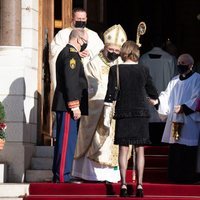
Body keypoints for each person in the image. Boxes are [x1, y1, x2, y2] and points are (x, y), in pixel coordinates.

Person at [72, 24, 127, 183]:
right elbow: (91, 86)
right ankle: (89, 174)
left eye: (118, 51)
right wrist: (108, 99)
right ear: (105, 47)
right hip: (97, 108)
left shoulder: (119, 64)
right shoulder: (94, 63)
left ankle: (110, 175)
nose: (114, 54)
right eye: (112, 50)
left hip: (115, 111)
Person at [104, 40, 158, 197]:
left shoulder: (116, 69)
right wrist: (155, 100)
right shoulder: (144, 69)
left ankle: (123, 185)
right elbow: (153, 92)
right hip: (140, 112)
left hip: (123, 112)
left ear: (123, 52)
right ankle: (140, 185)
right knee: (140, 150)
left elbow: (110, 94)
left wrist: (107, 111)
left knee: (123, 149)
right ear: (136, 53)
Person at [149, 53, 200, 183]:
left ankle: (187, 177)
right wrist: (158, 102)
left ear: (191, 65)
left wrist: (184, 107)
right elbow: (166, 95)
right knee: (175, 148)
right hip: (175, 120)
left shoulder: (197, 79)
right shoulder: (174, 80)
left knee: (187, 149)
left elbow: (198, 97)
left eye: (183, 63)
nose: (180, 65)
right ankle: (174, 176)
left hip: (189, 121)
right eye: (179, 63)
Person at [51, 28, 88, 183]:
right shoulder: (71, 55)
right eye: (85, 41)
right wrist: (74, 106)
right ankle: (62, 175)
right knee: (66, 141)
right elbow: (71, 82)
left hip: (65, 105)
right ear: (78, 39)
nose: (85, 44)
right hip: (67, 106)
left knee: (65, 140)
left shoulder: (69, 53)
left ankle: (61, 173)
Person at [50, 7, 104, 90]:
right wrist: (73, 53)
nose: (81, 21)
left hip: (87, 73)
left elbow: (101, 50)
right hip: (68, 72)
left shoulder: (93, 35)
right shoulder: (63, 34)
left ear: (86, 19)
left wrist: (90, 53)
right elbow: (54, 50)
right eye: (79, 19)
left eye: (83, 19)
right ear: (73, 19)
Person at [139, 36, 177, 144]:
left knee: (150, 117)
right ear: (163, 44)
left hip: (147, 95)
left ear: (151, 44)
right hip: (164, 93)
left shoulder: (143, 58)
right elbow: (175, 78)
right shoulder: (169, 59)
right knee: (162, 116)